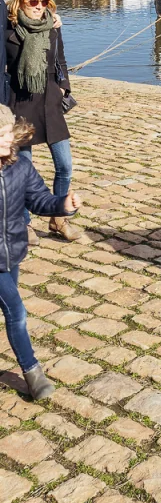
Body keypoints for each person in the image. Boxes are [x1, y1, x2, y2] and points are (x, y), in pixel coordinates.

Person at [0, 105, 81, 398]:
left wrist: (62, 205)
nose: (6, 140)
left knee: (9, 307)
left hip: (13, 251)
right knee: (16, 312)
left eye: (7, 133)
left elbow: (39, 199)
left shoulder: (20, 167)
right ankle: (33, 373)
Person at [5, 0, 79, 242]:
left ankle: (59, 218)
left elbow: (60, 61)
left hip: (50, 102)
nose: (39, 7)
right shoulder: (8, 30)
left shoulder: (52, 26)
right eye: (33, 2)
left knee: (65, 165)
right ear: (20, 4)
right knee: (23, 169)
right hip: (21, 103)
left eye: (44, 2)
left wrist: (63, 88)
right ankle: (24, 223)